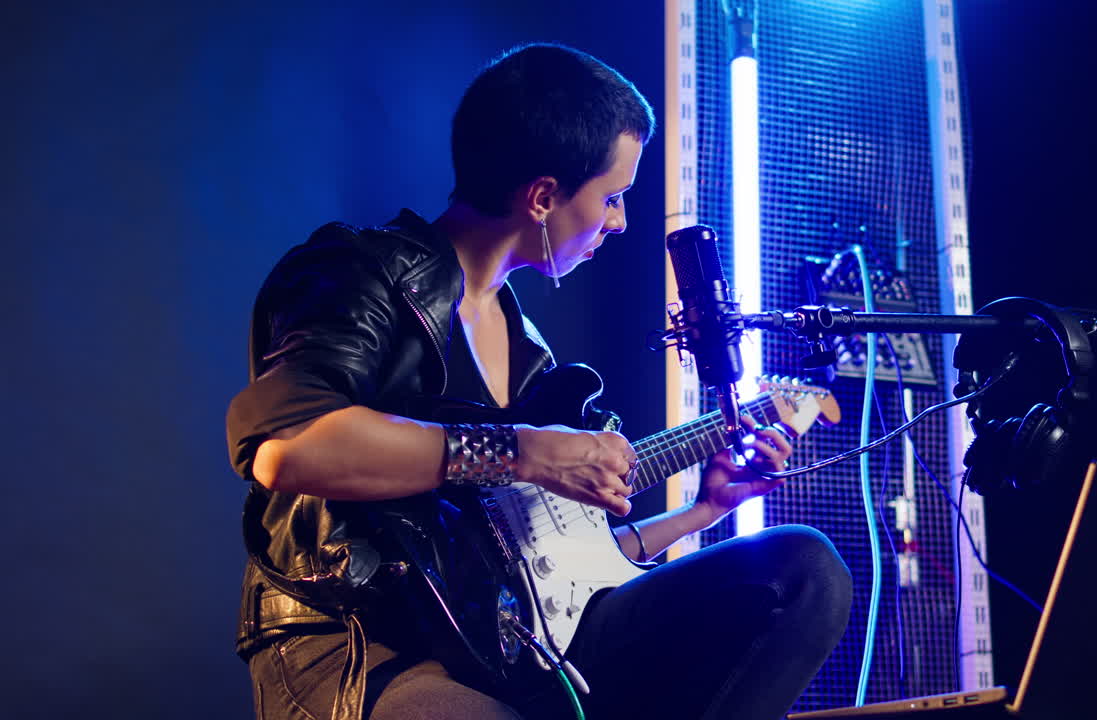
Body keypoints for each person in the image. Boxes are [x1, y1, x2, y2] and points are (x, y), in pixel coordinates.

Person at [226, 43, 852, 720]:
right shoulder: (359, 272)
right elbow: (291, 448)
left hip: (502, 646)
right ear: (544, 196)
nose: (620, 221)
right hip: (358, 644)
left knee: (800, 572)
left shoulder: (529, 355)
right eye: (612, 198)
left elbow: (556, 571)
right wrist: (521, 449)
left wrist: (706, 509)